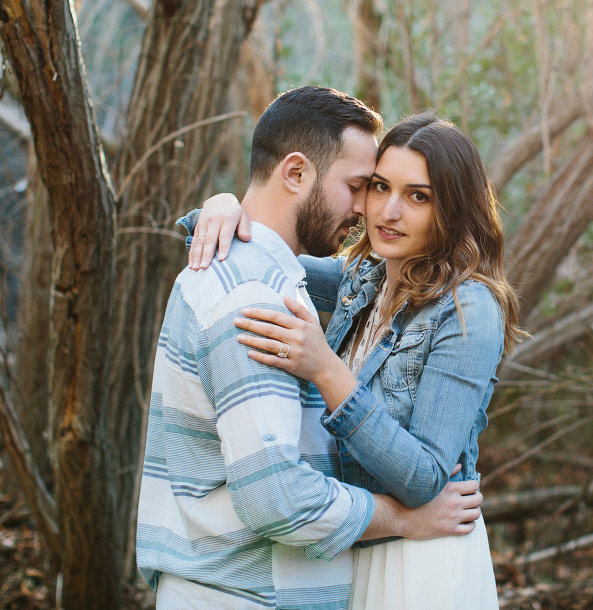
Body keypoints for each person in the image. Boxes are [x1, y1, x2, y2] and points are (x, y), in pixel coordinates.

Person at [136, 89, 483, 610]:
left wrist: (326, 370)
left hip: (390, 565)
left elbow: (425, 472)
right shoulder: (262, 295)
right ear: (296, 173)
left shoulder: (456, 307)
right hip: (242, 592)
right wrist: (218, 207)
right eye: (365, 186)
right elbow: (274, 496)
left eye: (417, 195)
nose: (371, 208)